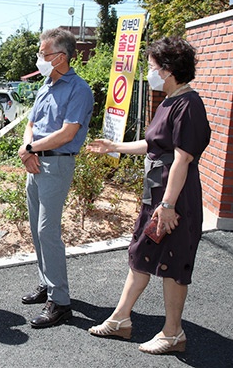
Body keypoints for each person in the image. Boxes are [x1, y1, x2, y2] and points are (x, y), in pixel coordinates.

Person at [86, 37, 211, 355]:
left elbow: (182, 159)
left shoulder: (188, 104)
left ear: (168, 70)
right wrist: (114, 147)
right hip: (155, 196)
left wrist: (168, 205)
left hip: (174, 200)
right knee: (140, 255)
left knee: (173, 262)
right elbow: (151, 144)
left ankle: (172, 334)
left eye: (153, 67)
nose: (150, 72)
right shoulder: (168, 101)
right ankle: (120, 320)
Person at [18, 28, 94, 328]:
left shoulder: (79, 89)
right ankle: (46, 283)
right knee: (37, 231)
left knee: (48, 231)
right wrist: (28, 150)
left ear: (60, 57)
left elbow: (67, 133)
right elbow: (32, 123)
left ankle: (60, 303)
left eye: (43, 53)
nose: (39, 58)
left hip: (56, 165)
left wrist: (30, 148)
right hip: (35, 163)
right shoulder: (45, 85)